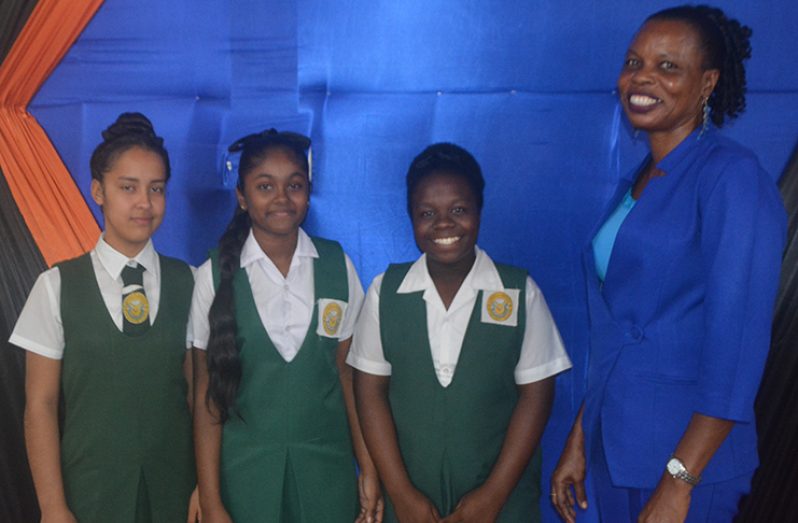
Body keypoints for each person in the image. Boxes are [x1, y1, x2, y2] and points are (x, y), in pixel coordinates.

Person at [551, 5, 787, 522]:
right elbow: (620, 331)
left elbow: (738, 349)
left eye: (667, 66)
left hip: (686, 462)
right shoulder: (637, 181)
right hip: (619, 450)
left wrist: (680, 480)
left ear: (708, 83)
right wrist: (580, 440)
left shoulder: (732, 178)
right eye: (634, 62)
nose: (642, 78)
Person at [349, 143, 572, 522]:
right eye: (426, 213)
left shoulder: (517, 292)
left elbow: (536, 396)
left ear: (479, 211)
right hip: (413, 502)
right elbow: (369, 392)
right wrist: (401, 493)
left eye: (458, 210)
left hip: (500, 502)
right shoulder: (385, 292)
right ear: (410, 218)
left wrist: (492, 496)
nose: (443, 224)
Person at [11, 113, 197, 522]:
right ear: (98, 191)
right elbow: (39, 406)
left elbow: (196, 395)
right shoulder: (56, 286)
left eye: (157, 189)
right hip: (89, 494)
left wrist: (205, 484)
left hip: (175, 493)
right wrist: (53, 507)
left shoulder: (190, 282)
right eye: (128, 188)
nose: (144, 203)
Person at [191, 129, 381, 523]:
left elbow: (348, 377)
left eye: (294, 185)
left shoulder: (336, 266)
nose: (281, 198)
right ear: (242, 197)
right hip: (244, 479)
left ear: (308, 192)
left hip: (326, 475)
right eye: (265, 186)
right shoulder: (212, 276)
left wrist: (368, 466)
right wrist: (211, 499)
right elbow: (205, 396)